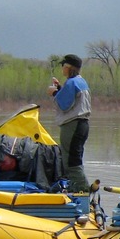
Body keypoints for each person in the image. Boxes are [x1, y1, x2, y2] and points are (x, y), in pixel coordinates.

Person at [47, 53, 92, 193]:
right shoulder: (81, 81)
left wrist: (54, 93)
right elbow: (73, 99)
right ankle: (78, 187)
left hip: (72, 125)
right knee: (76, 157)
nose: (62, 69)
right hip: (83, 125)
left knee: (70, 159)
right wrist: (61, 88)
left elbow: (65, 104)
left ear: (69, 67)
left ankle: (82, 190)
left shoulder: (71, 83)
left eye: (64, 66)